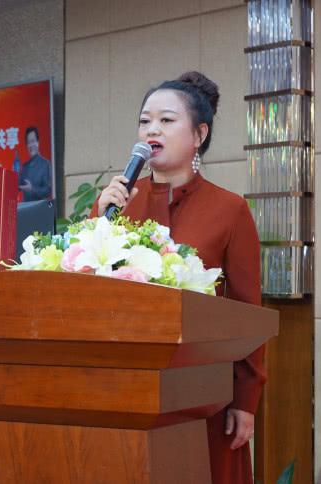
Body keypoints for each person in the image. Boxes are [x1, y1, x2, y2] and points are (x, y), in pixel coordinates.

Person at [90, 71, 266, 484]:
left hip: (203, 394)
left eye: (166, 120)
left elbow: (248, 311)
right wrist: (98, 218)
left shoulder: (229, 209)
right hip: (126, 390)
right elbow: (87, 292)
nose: (152, 129)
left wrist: (246, 399)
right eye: (145, 121)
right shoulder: (118, 207)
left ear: (199, 134)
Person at [19, 126, 51, 202]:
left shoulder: (45, 163)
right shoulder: (25, 166)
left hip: (39, 207)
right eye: (28, 142)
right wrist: (15, 175)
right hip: (26, 207)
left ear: (38, 142)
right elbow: (19, 187)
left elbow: (47, 191)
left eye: (33, 141)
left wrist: (32, 189)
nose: (31, 145)